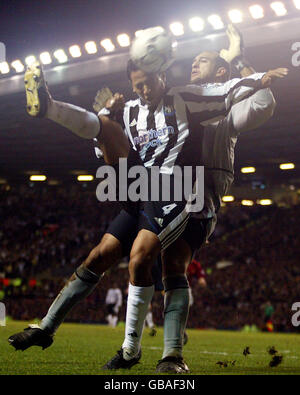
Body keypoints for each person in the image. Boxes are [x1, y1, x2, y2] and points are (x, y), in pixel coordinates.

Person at [8, 27, 284, 373]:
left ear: (163, 73)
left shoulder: (198, 100)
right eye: (137, 84)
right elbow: (105, 146)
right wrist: (109, 117)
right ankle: (47, 328)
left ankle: (153, 353)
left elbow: (234, 93)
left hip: (187, 193)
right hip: (143, 188)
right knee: (102, 251)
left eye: (148, 81)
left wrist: (255, 75)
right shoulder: (136, 109)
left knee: (156, 261)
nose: (143, 89)